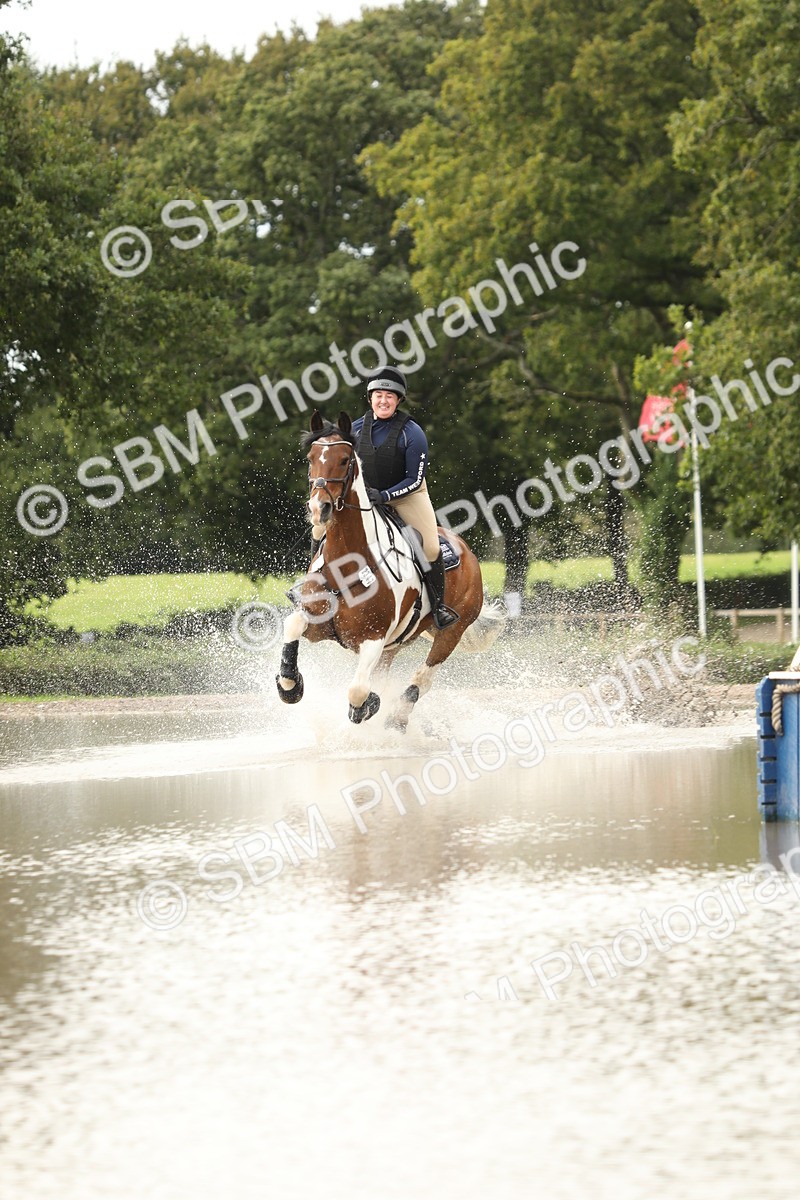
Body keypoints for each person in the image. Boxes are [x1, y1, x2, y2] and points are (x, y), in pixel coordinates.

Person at [351, 365, 458, 629]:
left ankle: (439, 606)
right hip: (366, 497)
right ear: (370, 398)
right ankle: (309, 588)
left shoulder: (413, 433)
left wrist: (385, 495)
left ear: (398, 400)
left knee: (431, 548)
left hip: (406, 495)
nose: (383, 400)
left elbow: (414, 479)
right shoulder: (353, 430)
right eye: (378, 395)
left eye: (390, 396)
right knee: (322, 526)